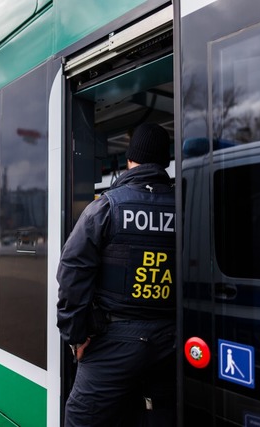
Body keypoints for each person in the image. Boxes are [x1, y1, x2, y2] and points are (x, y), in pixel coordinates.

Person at [57, 123, 177, 426]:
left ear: (129, 160)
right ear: (165, 161)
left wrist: (75, 337)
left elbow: (73, 273)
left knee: (81, 418)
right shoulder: (185, 209)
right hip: (171, 340)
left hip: (115, 339)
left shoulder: (107, 206)